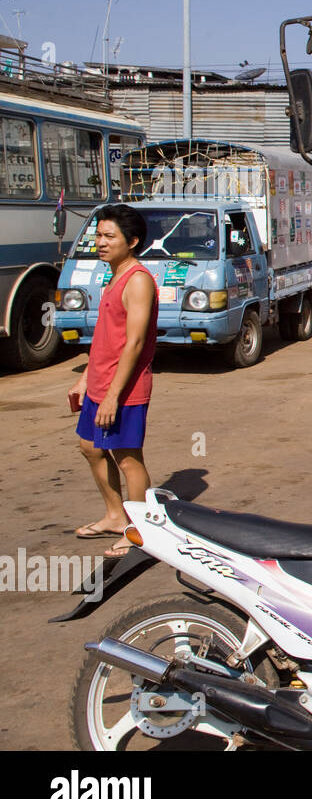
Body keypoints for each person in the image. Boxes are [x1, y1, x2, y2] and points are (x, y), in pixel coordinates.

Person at [69, 204, 159, 559]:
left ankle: (141, 534)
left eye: (109, 236)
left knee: (127, 458)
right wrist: (86, 381)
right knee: (90, 447)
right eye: (99, 235)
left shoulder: (137, 280)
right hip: (100, 383)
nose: (100, 242)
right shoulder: (113, 274)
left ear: (132, 241)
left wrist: (112, 397)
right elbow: (106, 336)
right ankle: (114, 515)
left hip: (124, 389)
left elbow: (134, 343)